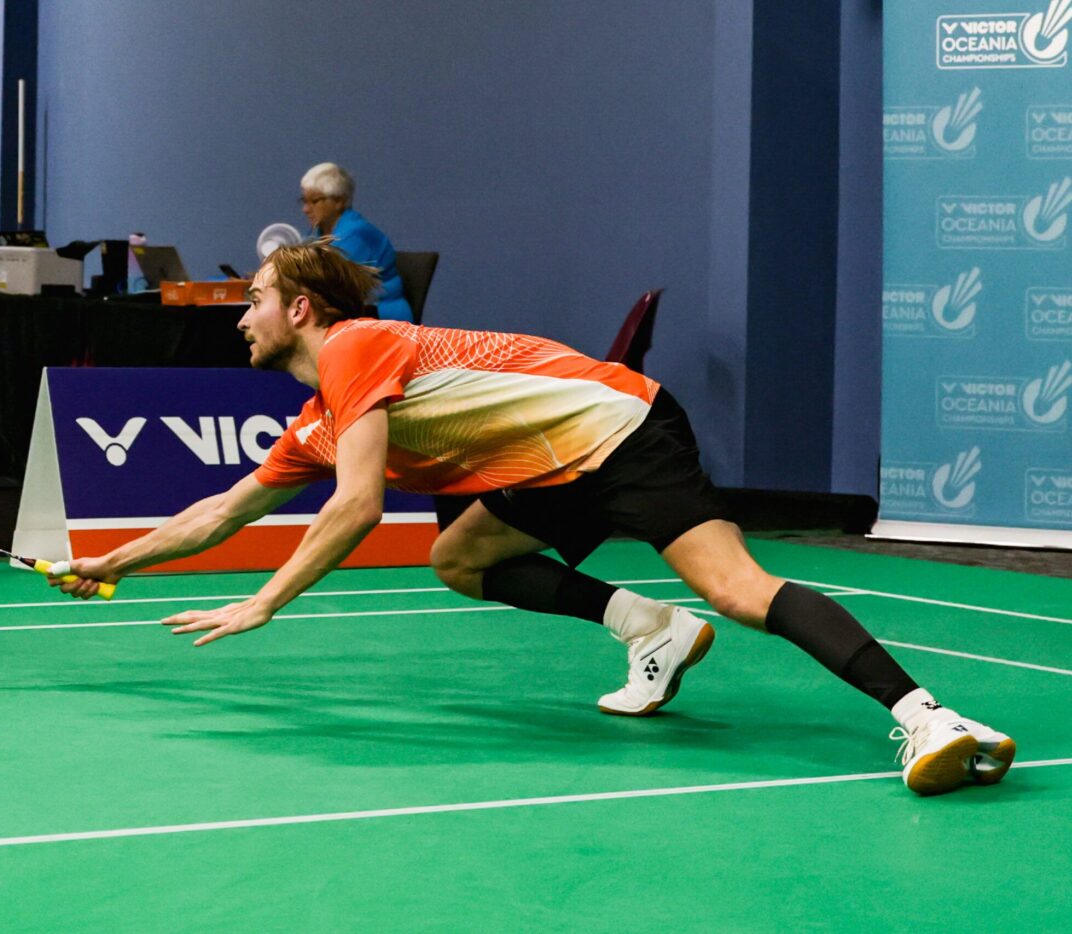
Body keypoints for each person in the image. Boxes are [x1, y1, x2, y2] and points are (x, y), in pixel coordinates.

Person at [53, 239, 1015, 797]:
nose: (240, 317)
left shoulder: (354, 345)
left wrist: (265, 601)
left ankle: (929, 718)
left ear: (301, 310)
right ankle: (653, 629)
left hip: (621, 428)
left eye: (254, 301)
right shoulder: (317, 418)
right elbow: (223, 509)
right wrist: (109, 565)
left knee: (738, 589)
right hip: (546, 468)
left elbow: (357, 504)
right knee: (462, 556)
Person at [299, 162, 415, 323]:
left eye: (314, 201)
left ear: (339, 201)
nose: (305, 209)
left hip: (381, 317)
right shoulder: (316, 233)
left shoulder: (356, 234)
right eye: (304, 201)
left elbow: (335, 289)